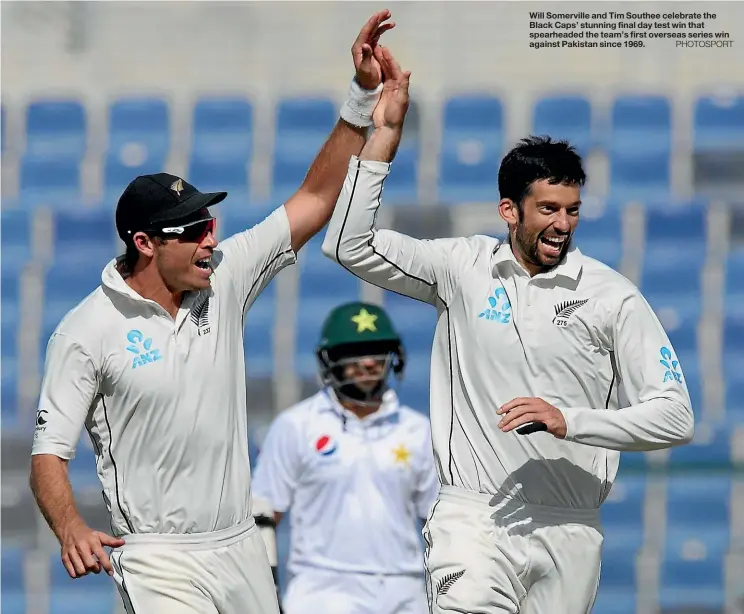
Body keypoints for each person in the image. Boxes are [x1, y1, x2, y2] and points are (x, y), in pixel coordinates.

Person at [28, 11, 397, 614]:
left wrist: (359, 98)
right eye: (193, 229)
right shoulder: (86, 330)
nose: (210, 239)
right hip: (157, 556)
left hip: (240, 546)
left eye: (211, 224)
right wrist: (69, 525)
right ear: (145, 243)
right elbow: (48, 454)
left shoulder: (224, 276)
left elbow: (314, 199)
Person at [320, 46, 694, 614]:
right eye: (548, 209)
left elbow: (676, 416)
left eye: (571, 210)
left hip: (572, 527)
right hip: (475, 516)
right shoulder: (461, 268)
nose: (562, 225)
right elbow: (348, 244)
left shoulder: (612, 295)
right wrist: (382, 141)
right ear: (509, 210)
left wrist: (571, 421)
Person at [251, 301, 438, 614]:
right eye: (353, 352)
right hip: (322, 588)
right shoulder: (296, 426)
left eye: (376, 351)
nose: (366, 363)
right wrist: (265, 591)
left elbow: (439, 520)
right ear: (331, 359)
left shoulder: (418, 431)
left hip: (405, 589)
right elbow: (264, 514)